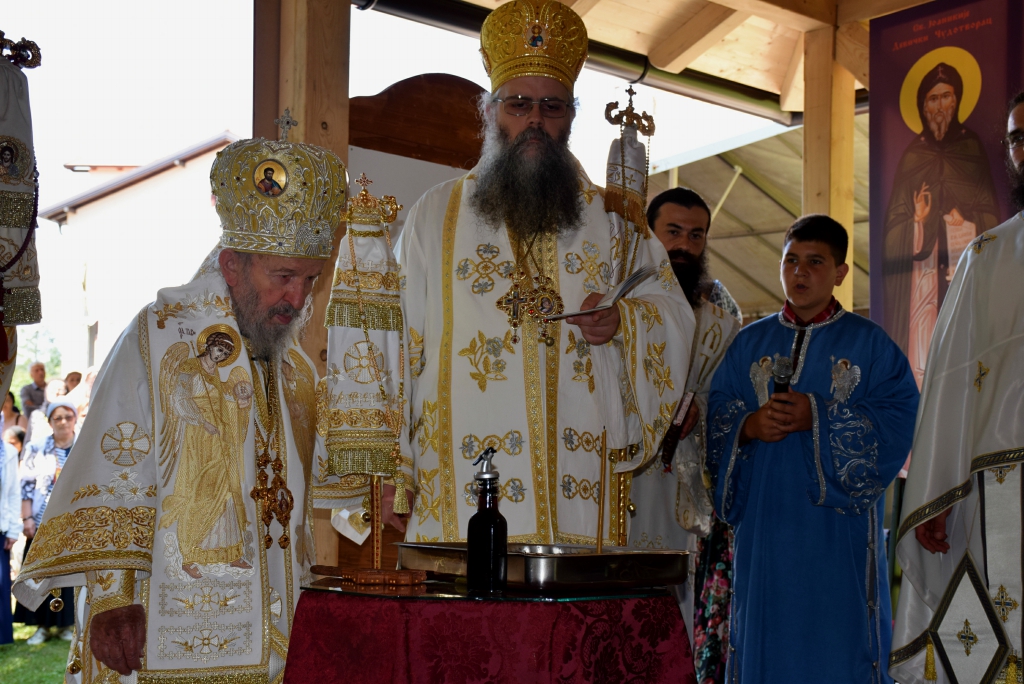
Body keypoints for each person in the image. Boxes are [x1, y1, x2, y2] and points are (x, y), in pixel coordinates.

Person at [13, 136, 344, 681]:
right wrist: (112, 597)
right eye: (283, 277)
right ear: (232, 265)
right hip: (163, 624)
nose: (298, 297)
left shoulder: (295, 370)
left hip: (274, 624)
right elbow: (114, 471)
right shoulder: (157, 337)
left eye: (310, 279)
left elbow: (314, 480)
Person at [376, 0, 694, 546]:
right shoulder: (435, 214)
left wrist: (622, 322)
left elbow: (670, 310)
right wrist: (392, 468)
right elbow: (396, 342)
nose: (535, 122)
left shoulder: (615, 221)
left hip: (578, 489)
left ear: (571, 115)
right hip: (457, 482)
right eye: (519, 104)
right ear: (490, 110)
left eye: (552, 106)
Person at [707, 214, 919, 683]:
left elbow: (898, 419)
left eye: (815, 262)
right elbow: (718, 416)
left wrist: (819, 417)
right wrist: (747, 427)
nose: (800, 272)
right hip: (765, 529)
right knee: (765, 635)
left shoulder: (871, 345)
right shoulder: (748, 343)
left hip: (835, 535)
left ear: (840, 272)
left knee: (836, 644)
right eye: (791, 261)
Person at [889, 91, 1024, 684]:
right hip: (1002, 487)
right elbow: (949, 380)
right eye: (1018, 139)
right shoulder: (987, 256)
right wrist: (937, 490)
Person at [628, 187, 741, 669]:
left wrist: (700, 409)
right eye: (672, 232)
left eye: (696, 235)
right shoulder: (617, 300)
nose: (684, 245)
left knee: (667, 612)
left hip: (673, 482)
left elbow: (729, 402)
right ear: (648, 233)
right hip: (608, 479)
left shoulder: (720, 321)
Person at [882, 62, 1000, 387]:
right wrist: (917, 223)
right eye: (932, 99)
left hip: (965, 269)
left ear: (957, 100)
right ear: (923, 107)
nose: (939, 106)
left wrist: (969, 222)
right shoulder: (912, 156)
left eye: (946, 96)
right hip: (924, 276)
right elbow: (894, 225)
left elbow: (992, 215)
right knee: (925, 355)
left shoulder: (971, 148)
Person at [14, 399, 79, 644]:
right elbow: (26, 486)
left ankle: (66, 626)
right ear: (50, 421)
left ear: (75, 419)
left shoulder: (84, 446)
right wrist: (27, 518)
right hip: (43, 522)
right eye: (57, 417)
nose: (63, 422)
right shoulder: (36, 447)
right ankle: (41, 626)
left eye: (68, 416)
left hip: (75, 523)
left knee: (69, 574)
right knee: (39, 574)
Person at [0, 427, 21, 645]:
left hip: (2, 526)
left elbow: (14, 492)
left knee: (0, 582)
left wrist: (14, 529)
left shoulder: (8, 451)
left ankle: (2, 636)